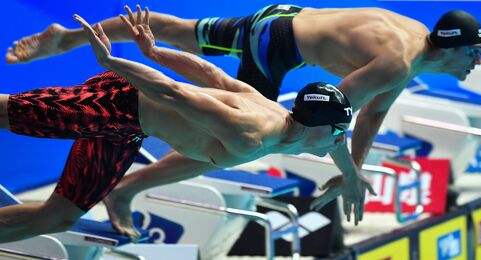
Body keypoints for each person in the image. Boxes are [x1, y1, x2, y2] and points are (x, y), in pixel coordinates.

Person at [6, 4, 481, 228]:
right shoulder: (395, 65)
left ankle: (64, 38)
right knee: (225, 145)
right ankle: (129, 187)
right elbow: (334, 108)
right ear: (455, 49)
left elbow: (350, 123)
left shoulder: (414, 41)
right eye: (475, 55)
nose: (477, 64)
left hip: (278, 19)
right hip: (275, 50)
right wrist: (116, 64)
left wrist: (352, 176)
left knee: (178, 32)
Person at [0, 14, 353, 243]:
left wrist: (156, 52)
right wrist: (113, 62)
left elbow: (211, 75)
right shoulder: (252, 132)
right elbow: (173, 92)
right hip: (115, 102)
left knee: (57, 218)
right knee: (5, 113)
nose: (342, 139)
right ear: (319, 126)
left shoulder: (301, 130)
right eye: (339, 131)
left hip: (129, 131)